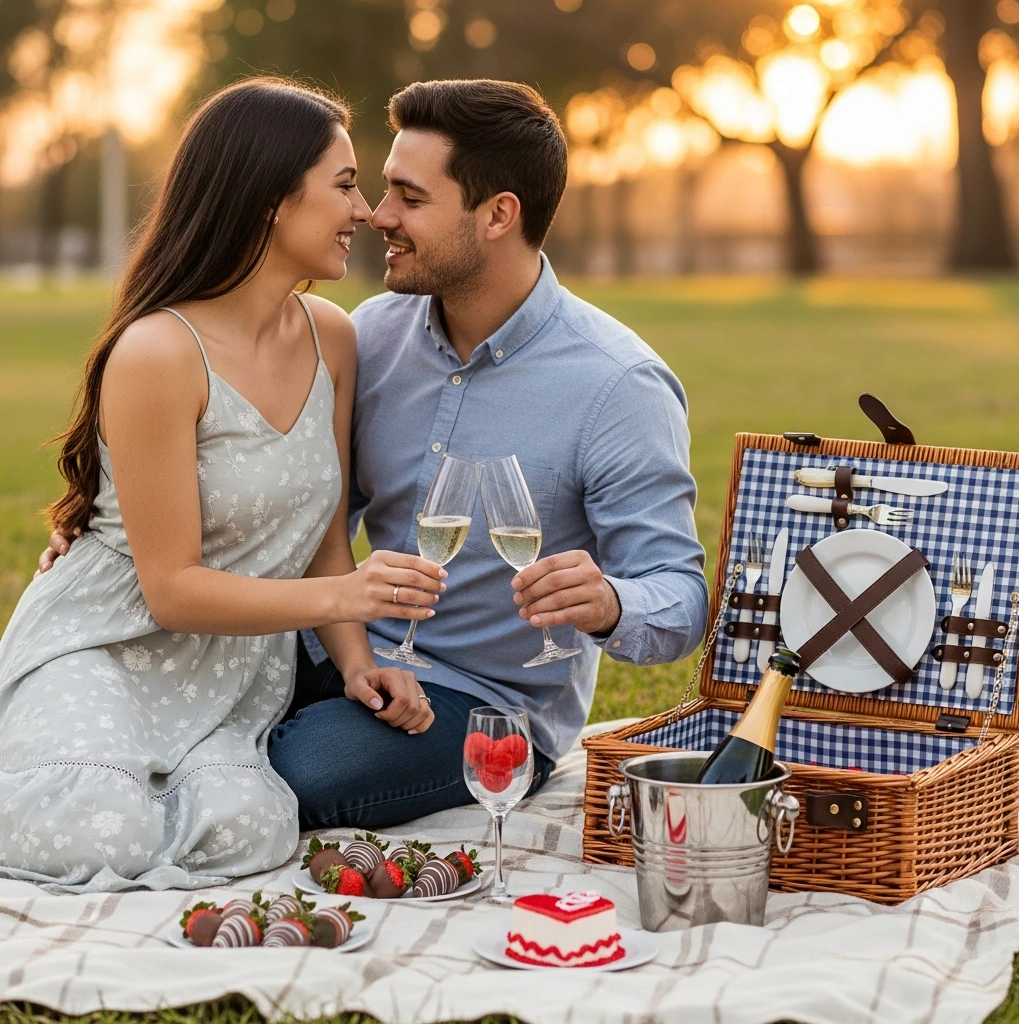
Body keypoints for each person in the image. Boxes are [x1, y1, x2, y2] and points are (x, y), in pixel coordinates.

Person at [39, 79, 709, 834]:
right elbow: (296, 502)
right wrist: (117, 531)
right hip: (337, 646)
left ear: (498, 215)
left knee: (305, 773)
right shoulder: (372, 335)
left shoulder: (617, 385)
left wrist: (613, 602)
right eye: (378, 187)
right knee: (174, 724)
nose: (377, 214)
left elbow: (681, 596)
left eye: (409, 198)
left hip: (482, 698)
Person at [0, 77, 447, 893]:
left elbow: (322, 538)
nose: (364, 211)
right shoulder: (158, 353)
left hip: (231, 677)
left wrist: (358, 665)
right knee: (91, 829)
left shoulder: (332, 338)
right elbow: (171, 590)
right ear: (271, 200)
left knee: (248, 831)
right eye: (345, 185)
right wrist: (350, 597)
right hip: (109, 646)